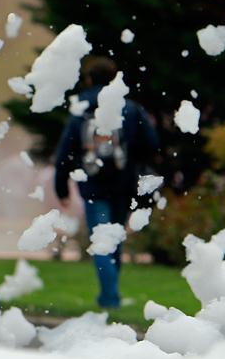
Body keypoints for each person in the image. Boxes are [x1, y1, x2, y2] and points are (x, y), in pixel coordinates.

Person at [54, 56, 159, 309]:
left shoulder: (80, 108)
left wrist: (61, 186)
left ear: (89, 79)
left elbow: (65, 150)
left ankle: (110, 297)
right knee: (114, 240)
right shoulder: (130, 108)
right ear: (114, 80)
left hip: (93, 186)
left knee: (101, 240)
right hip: (123, 184)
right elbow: (151, 144)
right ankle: (110, 294)